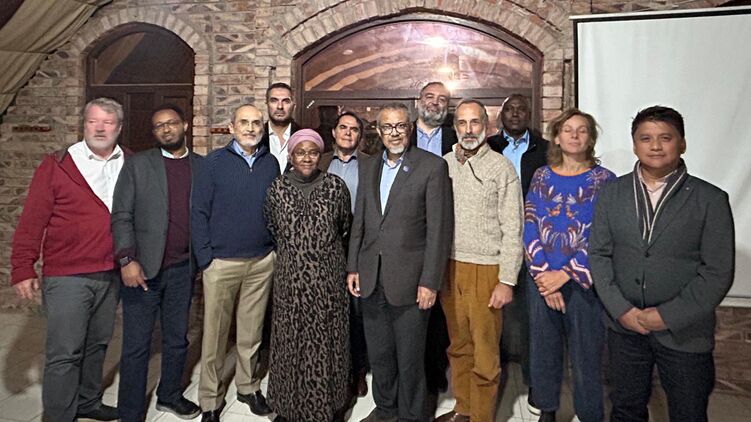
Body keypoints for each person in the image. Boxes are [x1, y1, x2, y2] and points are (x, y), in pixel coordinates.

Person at [590, 106, 735, 422]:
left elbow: (717, 271)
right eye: (646, 138)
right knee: (625, 409)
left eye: (665, 138)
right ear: (635, 145)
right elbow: (598, 255)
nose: (655, 146)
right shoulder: (612, 193)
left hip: (685, 331)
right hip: (624, 326)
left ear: (682, 143)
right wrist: (622, 310)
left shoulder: (710, 199)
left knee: (688, 411)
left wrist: (667, 316)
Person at [10, 97, 126, 421]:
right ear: (83, 124)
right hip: (67, 276)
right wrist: (22, 267)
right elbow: (32, 220)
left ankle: (88, 402)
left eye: (107, 122)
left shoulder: (130, 162)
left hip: (110, 271)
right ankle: (59, 415)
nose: (100, 128)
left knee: (97, 344)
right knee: (65, 351)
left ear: (119, 127)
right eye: (92, 121)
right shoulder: (58, 164)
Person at [347, 103, 454, 422]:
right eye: (387, 127)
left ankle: (412, 416)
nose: (394, 133)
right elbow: (361, 220)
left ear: (410, 129)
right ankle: (386, 411)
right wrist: (353, 266)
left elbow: (439, 230)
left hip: (411, 281)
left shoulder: (432, 166)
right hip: (371, 277)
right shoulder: (368, 166)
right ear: (378, 132)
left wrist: (430, 282)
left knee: (409, 359)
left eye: (400, 126)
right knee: (380, 355)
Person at [111, 104, 202, 421]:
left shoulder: (201, 166)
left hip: (182, 270)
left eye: (171, 123)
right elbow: (121, 215)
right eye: (158, 125)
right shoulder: (138, 164)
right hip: (142, 271)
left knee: (177, 340)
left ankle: (170, 396)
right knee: (137, 345)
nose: (165, 129)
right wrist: (127, 259)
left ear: (185, 125)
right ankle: (130, 411)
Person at [524, 108, 615, 422]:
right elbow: (530, 223)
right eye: (568, 130)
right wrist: (543, 277)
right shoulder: (541, 176)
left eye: (582, 130)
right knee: (543, 349)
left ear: (590, 138)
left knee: (586, 353)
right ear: (557, 138)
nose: (574, 135)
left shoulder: (605, 181)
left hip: (583, 282)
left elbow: (604, 234)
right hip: (541, 281)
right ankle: (547, 410)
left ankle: (589, 413)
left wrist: (564, 274)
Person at [435, 99, 523, 422]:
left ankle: (482, 416)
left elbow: (514, 227)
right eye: (462, 123)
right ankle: (464, 409)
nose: (469, 129)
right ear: (455, 127)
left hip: (486, 269)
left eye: (475, 122)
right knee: (458, 345)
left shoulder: (501, 168)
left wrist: (507, 280)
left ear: (487, 126)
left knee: (485, 351)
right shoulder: (444, 164)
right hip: (449, 267)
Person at [191, 104, 280, 422]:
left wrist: (272, 250)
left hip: (260, 261)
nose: (251, 128)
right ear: (231, 127)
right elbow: (198, 211)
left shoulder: (270, 163)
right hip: (221, 263)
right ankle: (210, 400)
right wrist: (205, 258)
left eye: (256, 123)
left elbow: (275, 208)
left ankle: (248, 386)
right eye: (244, 122)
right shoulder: (213, 163)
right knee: (214, 337)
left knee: (251, 333)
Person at [265, 129, 352, 422]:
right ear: (291, 156)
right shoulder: (276, 189)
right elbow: (272, 228)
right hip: (290, 280)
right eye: (300, 152)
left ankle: (330, 406)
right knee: (289, 341)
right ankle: (288, 408)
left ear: (320, 155)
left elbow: (344, 227)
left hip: (328, 280)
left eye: (313, 152)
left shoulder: (335, 187)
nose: (306, 158)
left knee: (327, 342)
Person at [486, 94, 549, 413]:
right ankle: (490, 380)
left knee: (534, 319)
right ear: (501, 115)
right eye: (509, 110)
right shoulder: (488, 147)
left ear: (529, 114)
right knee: (491, 316)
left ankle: (535, 382)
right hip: (495, 243)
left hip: (535, 245)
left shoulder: (546, 149)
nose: (514, 114)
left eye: (520, 109)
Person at [318, 111, 371, 398]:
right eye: (343, 127)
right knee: (328, 311)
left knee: (356, 313)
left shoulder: (371, 164)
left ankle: (358, 371)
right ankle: (331, 368)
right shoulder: (320, 161)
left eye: (354, 129)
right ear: (334, 132)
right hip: (324, 248)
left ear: (360, 136)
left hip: (358, 246)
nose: (348, 133)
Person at [409, 81, 456, 394]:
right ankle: (410, 369)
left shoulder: (456, 139)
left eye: (442, 99)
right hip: (407, 234)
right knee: (408, 307)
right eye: (429, 97)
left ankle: (435, 371)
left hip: (443, 233)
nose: (435, 103)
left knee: (439, 308)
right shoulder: (401, 135)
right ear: (418, 101)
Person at [260, 82, 301, 172]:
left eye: (286, 101)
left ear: (294, 105)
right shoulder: (257, 138)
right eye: (274, 101)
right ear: (267, 104)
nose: (280, 106)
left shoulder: (303, 136)